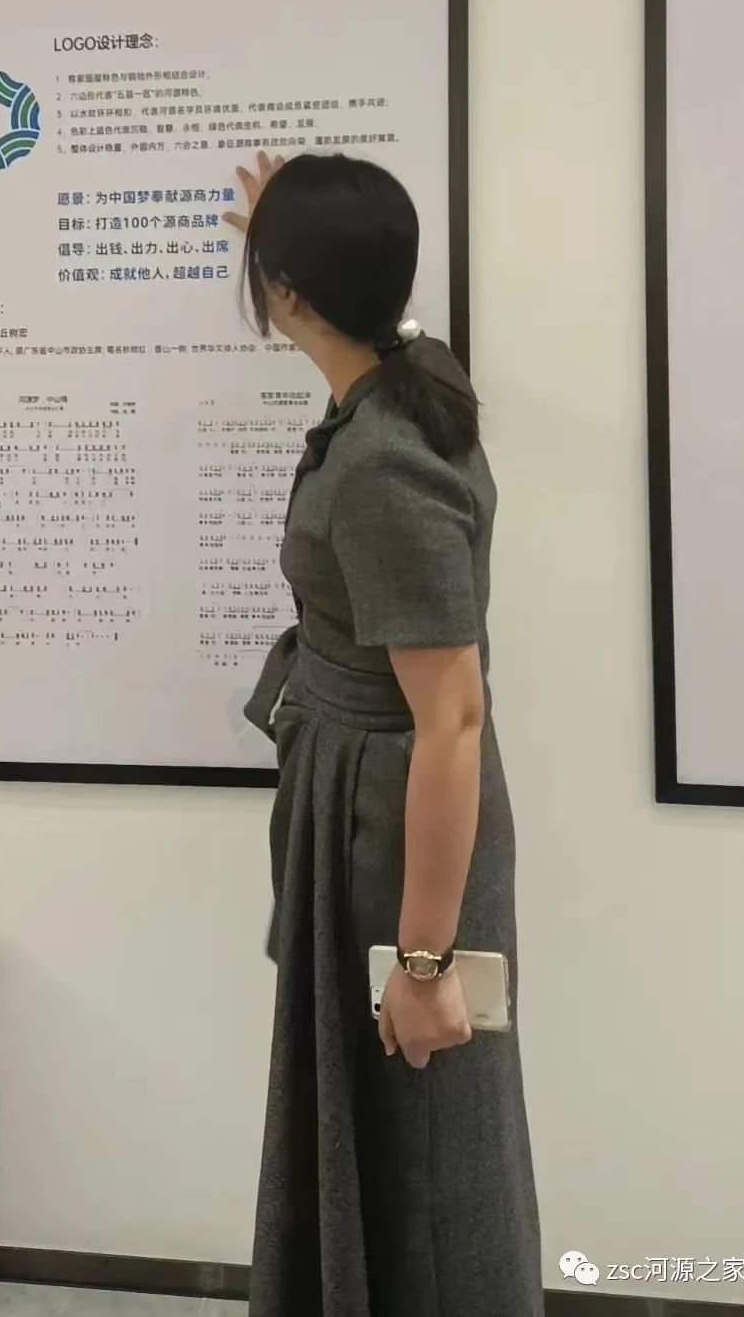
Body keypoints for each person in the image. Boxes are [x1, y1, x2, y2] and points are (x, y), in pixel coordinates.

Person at [224, 153, 542, 1317]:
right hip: (369, 799)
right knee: (384, 1119)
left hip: (400, 822)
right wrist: (288, 231)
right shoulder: (411, 373)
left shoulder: (383, 462)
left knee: (427, 1146)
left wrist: (423, 961)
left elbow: (451, 715)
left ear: (290, 294)